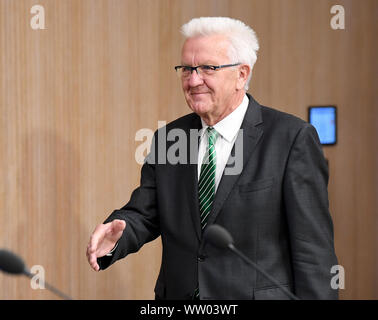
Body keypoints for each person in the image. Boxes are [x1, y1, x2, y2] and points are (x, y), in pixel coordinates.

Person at [86, 17, 338, 300]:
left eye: (208, 68)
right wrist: (118, 235)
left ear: (242, 74)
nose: (193, 80)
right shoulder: (169, 138)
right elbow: (145, 212)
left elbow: (313, 252)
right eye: (187, 69)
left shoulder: (291, 138)